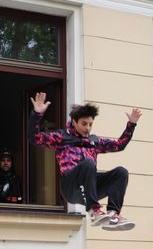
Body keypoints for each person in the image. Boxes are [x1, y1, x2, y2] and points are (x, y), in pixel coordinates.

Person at [30, 92, 141, 231]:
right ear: (74, 122)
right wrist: (37, 114)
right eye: (84, 124)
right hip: (71, 186)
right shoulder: (61, 138)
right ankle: (95, 211)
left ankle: (113, 214)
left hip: (90, 188)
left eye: (90, 124)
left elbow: (119, 145)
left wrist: (132, 124)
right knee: (89, 163)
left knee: (121, 172)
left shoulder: (94, 141)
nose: (87, 128)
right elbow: (35, 138)